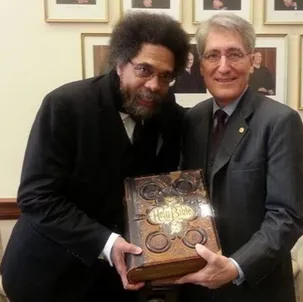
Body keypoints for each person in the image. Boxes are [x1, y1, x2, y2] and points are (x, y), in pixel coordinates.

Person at [0, 11, 190, 302]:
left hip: (115, 283)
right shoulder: (64, 105)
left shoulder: (169, 115)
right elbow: (37, 197)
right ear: (119, 62)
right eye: (144, 70)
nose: (154, 85)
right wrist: (106, 242)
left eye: (166, 76)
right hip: (46, 277)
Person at [176, 12, 303, 302]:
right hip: (196, 287)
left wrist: (236, 267)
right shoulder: (192, 120)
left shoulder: (280, 122)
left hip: (255, 288)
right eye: (213, 56)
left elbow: (287, 218)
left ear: (252, 60)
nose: (223, 67)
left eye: (234, 54)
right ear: (201, 66)